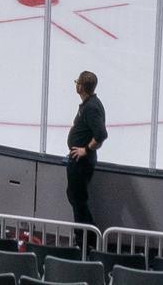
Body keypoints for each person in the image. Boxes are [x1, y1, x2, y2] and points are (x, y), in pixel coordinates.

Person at [65, 70, 107, 227]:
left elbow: (101, 134)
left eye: (77, 82)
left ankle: (85, 240)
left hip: (81, 162)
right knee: (74, 197)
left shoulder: (91, 108)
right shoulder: (89, 104)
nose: (76, 84)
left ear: (81, 87)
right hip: (78, 160)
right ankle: (84, 236)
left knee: (79, 201)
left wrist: (85, 150)